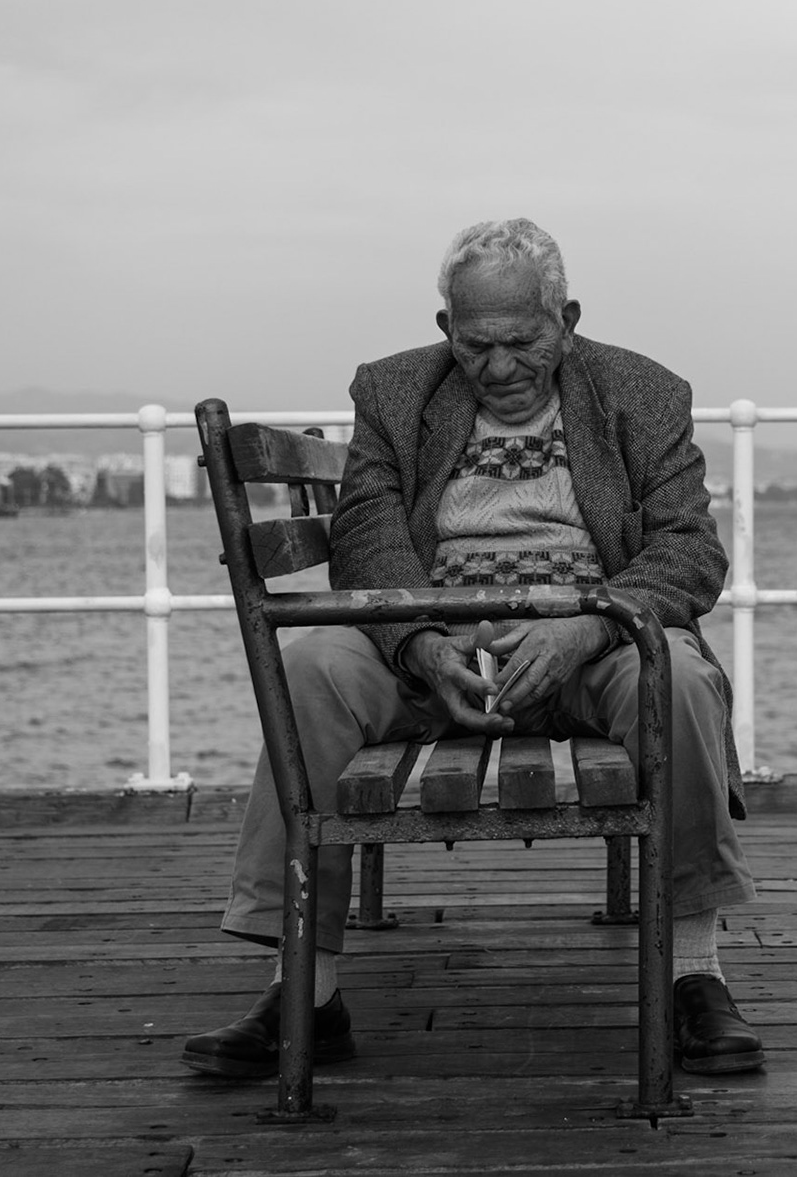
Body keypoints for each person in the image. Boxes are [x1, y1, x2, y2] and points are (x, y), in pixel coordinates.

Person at [183, 218, 762, 1078]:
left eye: (522, 342)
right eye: (475, 344)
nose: (497, 368)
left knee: (674, 678)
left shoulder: (641, 392)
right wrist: (418, 642)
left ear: (565, 318)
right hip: (431, 642)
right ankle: (304, 987)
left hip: (591, 639)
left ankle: (692, 975)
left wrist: (587, 625)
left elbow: (688, 549)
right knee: (305, 670)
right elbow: (370, 533)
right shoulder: (393, 392)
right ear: (446, 327)